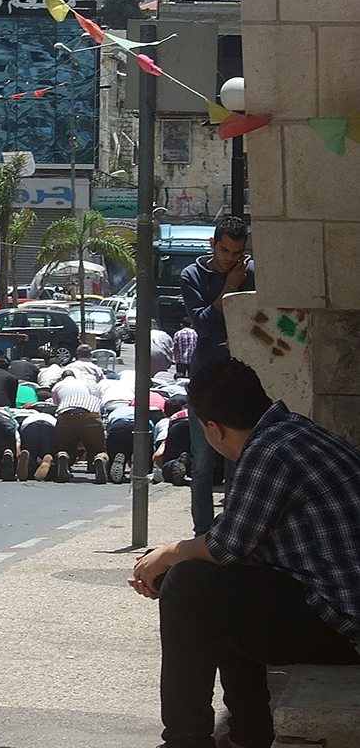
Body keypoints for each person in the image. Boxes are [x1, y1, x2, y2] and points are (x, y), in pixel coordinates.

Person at [130, 358, 360, 748]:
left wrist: (167, 554)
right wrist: (171, 557)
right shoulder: (296, 432)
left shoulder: (269, 452)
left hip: (343, 623)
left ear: (213, 429)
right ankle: (250, 730)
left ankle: (187, 740)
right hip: (338, 604)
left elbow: (225, 547)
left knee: (190, 584)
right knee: (213, 584)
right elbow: (238, 548)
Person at [180, 215, 256, 535]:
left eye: (237, 253)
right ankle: (203, 532)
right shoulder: (193, 275)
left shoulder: (250, 273)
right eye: (225, 251)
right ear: (213, 245)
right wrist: (230, 287)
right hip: (205, 378)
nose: (231, 259)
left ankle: (233, 531)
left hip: (240, 378)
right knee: (202, 464)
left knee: (238, 463)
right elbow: (203, 325)